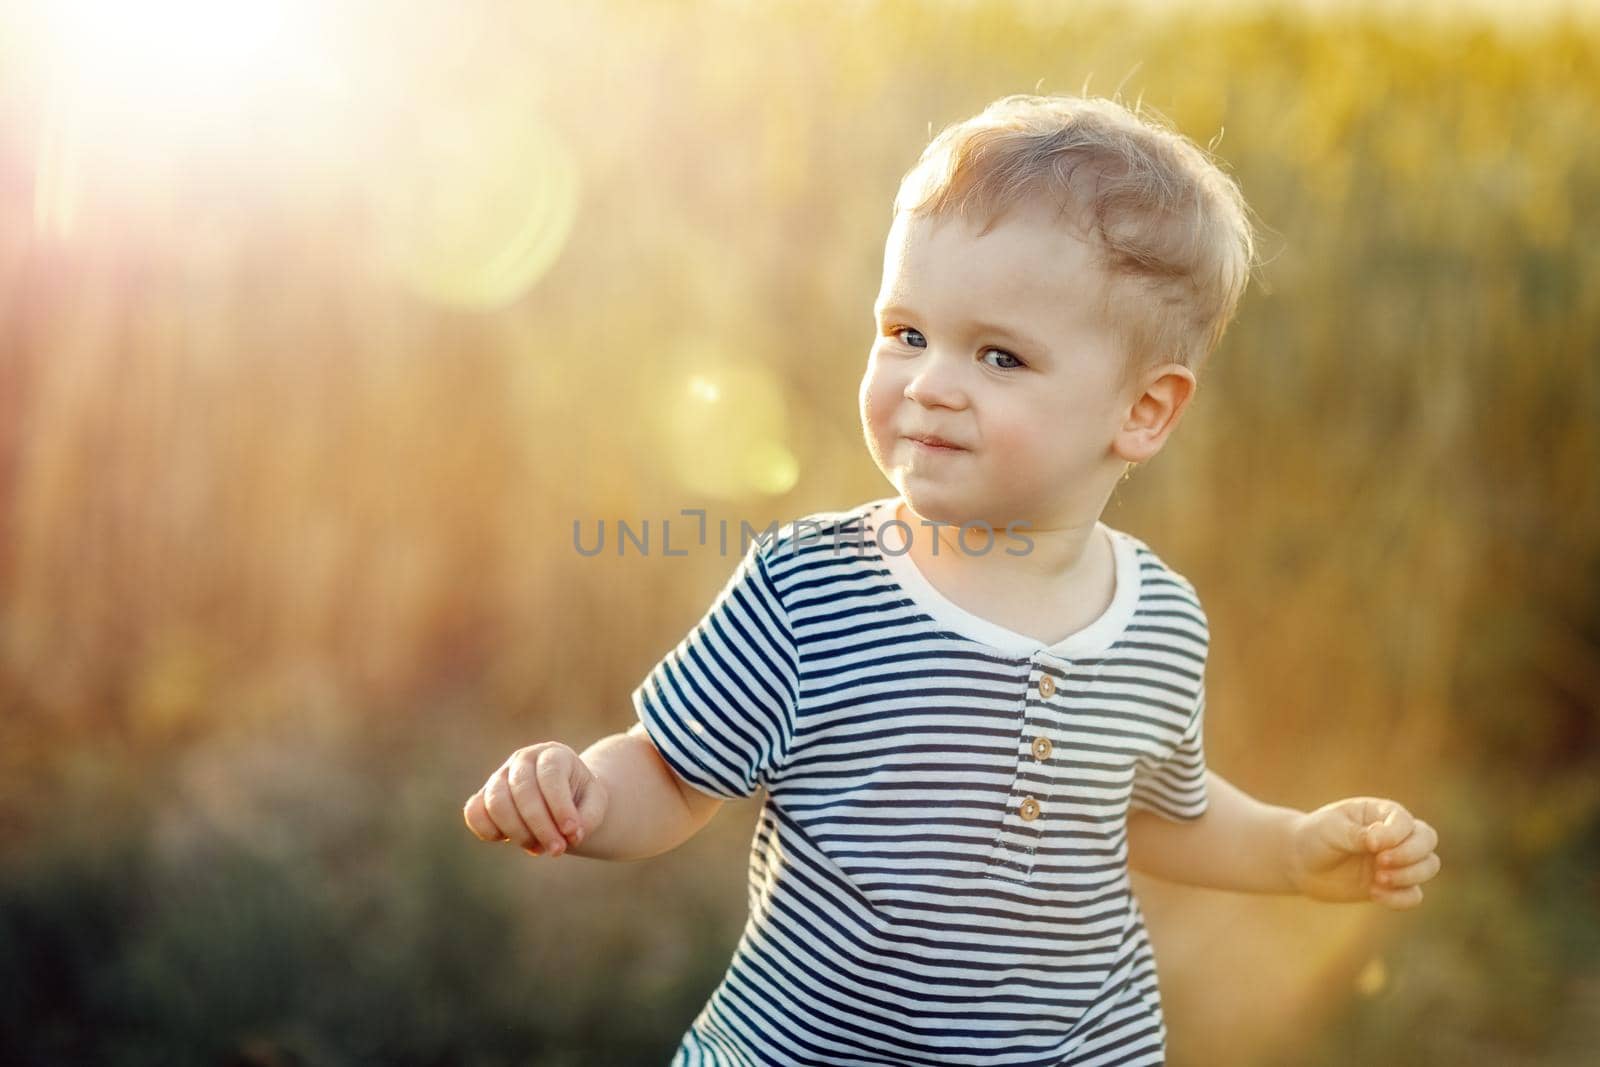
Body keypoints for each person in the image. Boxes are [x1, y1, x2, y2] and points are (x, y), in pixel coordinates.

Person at [463, 92, 1442, 1065]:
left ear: (1143, 409)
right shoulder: (810, 589)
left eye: (999, 354)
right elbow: (673, 772)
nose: (929, 381)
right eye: (905, 333)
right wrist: (581, 792)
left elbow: (1153, 811)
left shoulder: (1161, 622)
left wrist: (1289, 848)